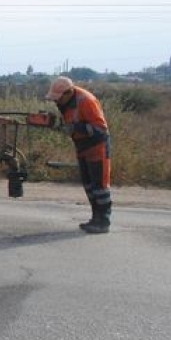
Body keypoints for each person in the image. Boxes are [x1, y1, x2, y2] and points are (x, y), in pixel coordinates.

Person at [45, 76, 112, 234]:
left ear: (68, 93)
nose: (56, 102)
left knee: (100, 187)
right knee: (89, 185)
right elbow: (70, 123)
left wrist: (75, 128)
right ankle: (95, 218)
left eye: (58, 98)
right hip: (82, 146)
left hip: (97, 146)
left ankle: (103, 222)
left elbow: (100, 129)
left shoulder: (86, 101)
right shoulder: (67, 102)